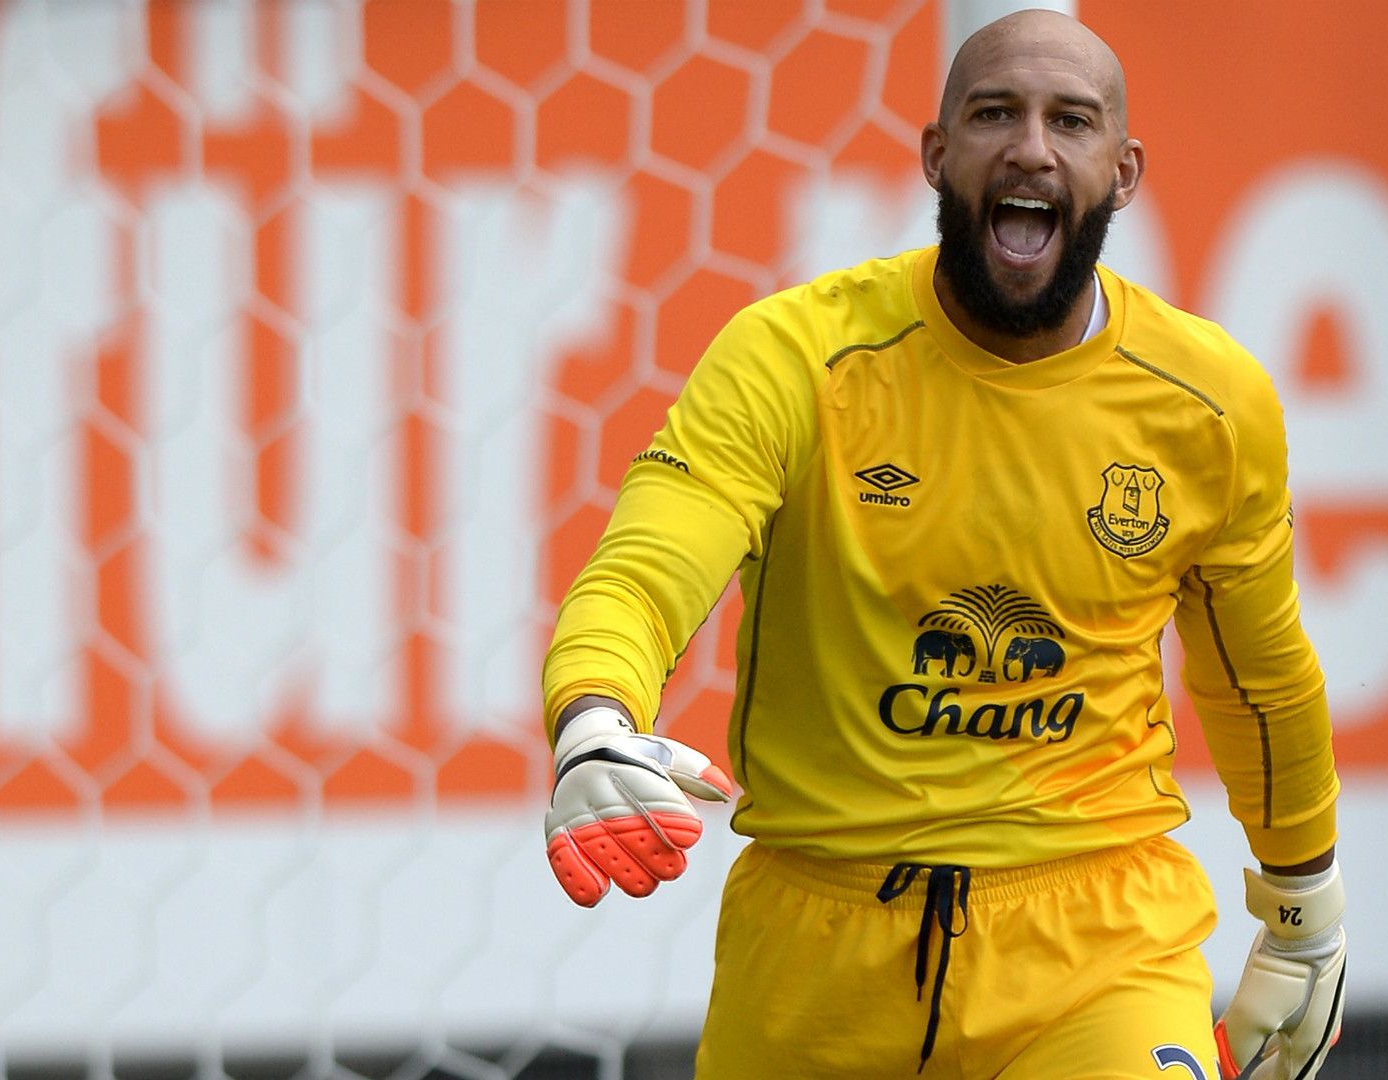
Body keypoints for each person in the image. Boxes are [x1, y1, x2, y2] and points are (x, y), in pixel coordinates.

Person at [540, 9, 1344, 1079]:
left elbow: (1260, 679)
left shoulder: (1212, 402)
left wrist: (1305, 905)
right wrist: (593, 718)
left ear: (1124, 170)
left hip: (1096, 935)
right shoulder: (798, 357)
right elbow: (645, 571)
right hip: (818, 944)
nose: (1031, 148)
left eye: (1071, 120)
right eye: (994, 114)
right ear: (935, 154)